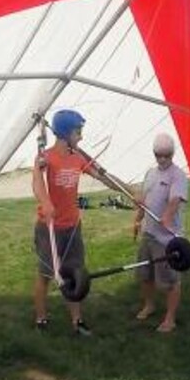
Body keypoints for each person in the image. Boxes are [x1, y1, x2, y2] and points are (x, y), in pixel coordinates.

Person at [31, 109, 124, 336]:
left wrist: (129, 189)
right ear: (65, 133)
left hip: (72, 227)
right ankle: (41, 318)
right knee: (46, 275)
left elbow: (104, 177)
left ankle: (77, 321)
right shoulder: (46, 157)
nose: (81, 136)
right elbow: (37, 181)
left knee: (75, 273)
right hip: (49, 227)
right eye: (78, 131)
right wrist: (46, 202)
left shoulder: (78, 157)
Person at [133, 132, 188, 333]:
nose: (163, 159)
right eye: (159, 155)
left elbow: (175, 199)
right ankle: (149, 305)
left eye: (167, 155)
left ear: (172, 153)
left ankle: (170, 318)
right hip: (149, 234)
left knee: (169, 281)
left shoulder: (178, 175)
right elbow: (144, 200)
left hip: (167, 239)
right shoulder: (150, 173)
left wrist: (167, 216)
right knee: (145, 275)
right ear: (154, 153)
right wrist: (138, 219)